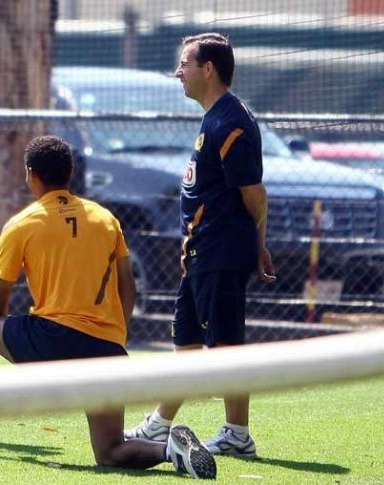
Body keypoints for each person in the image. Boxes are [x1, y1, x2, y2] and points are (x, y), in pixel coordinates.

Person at [0, 135, 216, 479]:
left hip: (53, 343)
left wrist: (15, 347)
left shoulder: (22, 224)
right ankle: (170, 451)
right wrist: (114, 338)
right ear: (71, 172)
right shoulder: (106, 219)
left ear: (30, 175)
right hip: (107, 350)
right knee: (110, 452)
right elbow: (129, 288)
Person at [124, 33, 277, 458]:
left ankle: (237, 435)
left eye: (184, 63)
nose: (178, 72)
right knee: (187, 341)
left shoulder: (231, 121)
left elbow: (255, 194)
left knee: (225, 347)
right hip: (201, 253)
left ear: (208, 69)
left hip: (221, 252)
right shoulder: (214, 117)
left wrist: (258, 244)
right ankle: (159, 424)